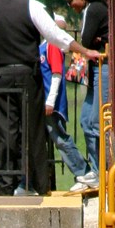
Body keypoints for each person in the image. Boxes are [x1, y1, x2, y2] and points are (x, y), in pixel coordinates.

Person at [0, 0, 99, 196]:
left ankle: (7, 184)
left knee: (5, 130)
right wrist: (84, 50)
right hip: (27, 75)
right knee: (33, 129)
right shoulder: (32, 6)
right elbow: (56, 36)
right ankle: (39, 184)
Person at [64, 0, 109, 190]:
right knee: (85, 119)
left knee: (93, 121)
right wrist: (96, 41)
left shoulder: (94, 9)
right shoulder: (93, 9)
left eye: (71, 0)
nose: (69, 5)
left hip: (103, 67)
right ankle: (96, 169)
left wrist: (95, 41)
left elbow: (85, 40)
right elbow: (91, 41)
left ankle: (100, 171)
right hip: (97, 68)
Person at [39, 38, 95, 192]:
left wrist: (50, 101)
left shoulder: (52, 44)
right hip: (44, 102)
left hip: (52, 104)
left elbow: (57, 73)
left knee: (60, 139)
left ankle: (83, 172)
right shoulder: (42, 45)